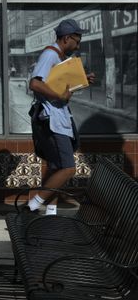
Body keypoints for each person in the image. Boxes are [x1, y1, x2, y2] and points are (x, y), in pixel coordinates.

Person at [27, 18, 95, 216]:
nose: (79, 43)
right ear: (66, 38)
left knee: (56, 168)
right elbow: (35, 84)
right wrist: (58, 96)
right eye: (77, 39)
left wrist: (81, 81)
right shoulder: (50, 54)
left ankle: (50, 213)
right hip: (52, 121)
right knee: (68, 169)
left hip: (57, 119)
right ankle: (31, 205)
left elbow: (61, 88)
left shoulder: (60, 58)